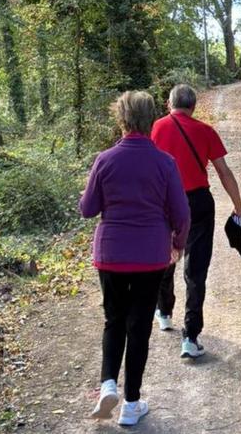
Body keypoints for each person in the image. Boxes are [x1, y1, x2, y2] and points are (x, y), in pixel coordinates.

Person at [80, 91, 191, 426]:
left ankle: (107, 384)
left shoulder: (105, 160)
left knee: (113, 320)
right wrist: (178, 243)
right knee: (139, 325)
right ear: (149, 119)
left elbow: (88, 209)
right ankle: (131, 403)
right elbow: (182, 214)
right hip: (150, 255)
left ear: (122, 118)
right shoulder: (164, 162)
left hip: (111, 253)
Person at [150, 84, 241, 358]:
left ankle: (164, 310)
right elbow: (224, 172)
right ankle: (190, 337)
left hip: (164, 202)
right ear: (194, 107)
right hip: (198, 203)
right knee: (196, 269)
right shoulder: (205, 131)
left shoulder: (155, 128)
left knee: (165, 256)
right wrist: (238, 207)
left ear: (169, 104)